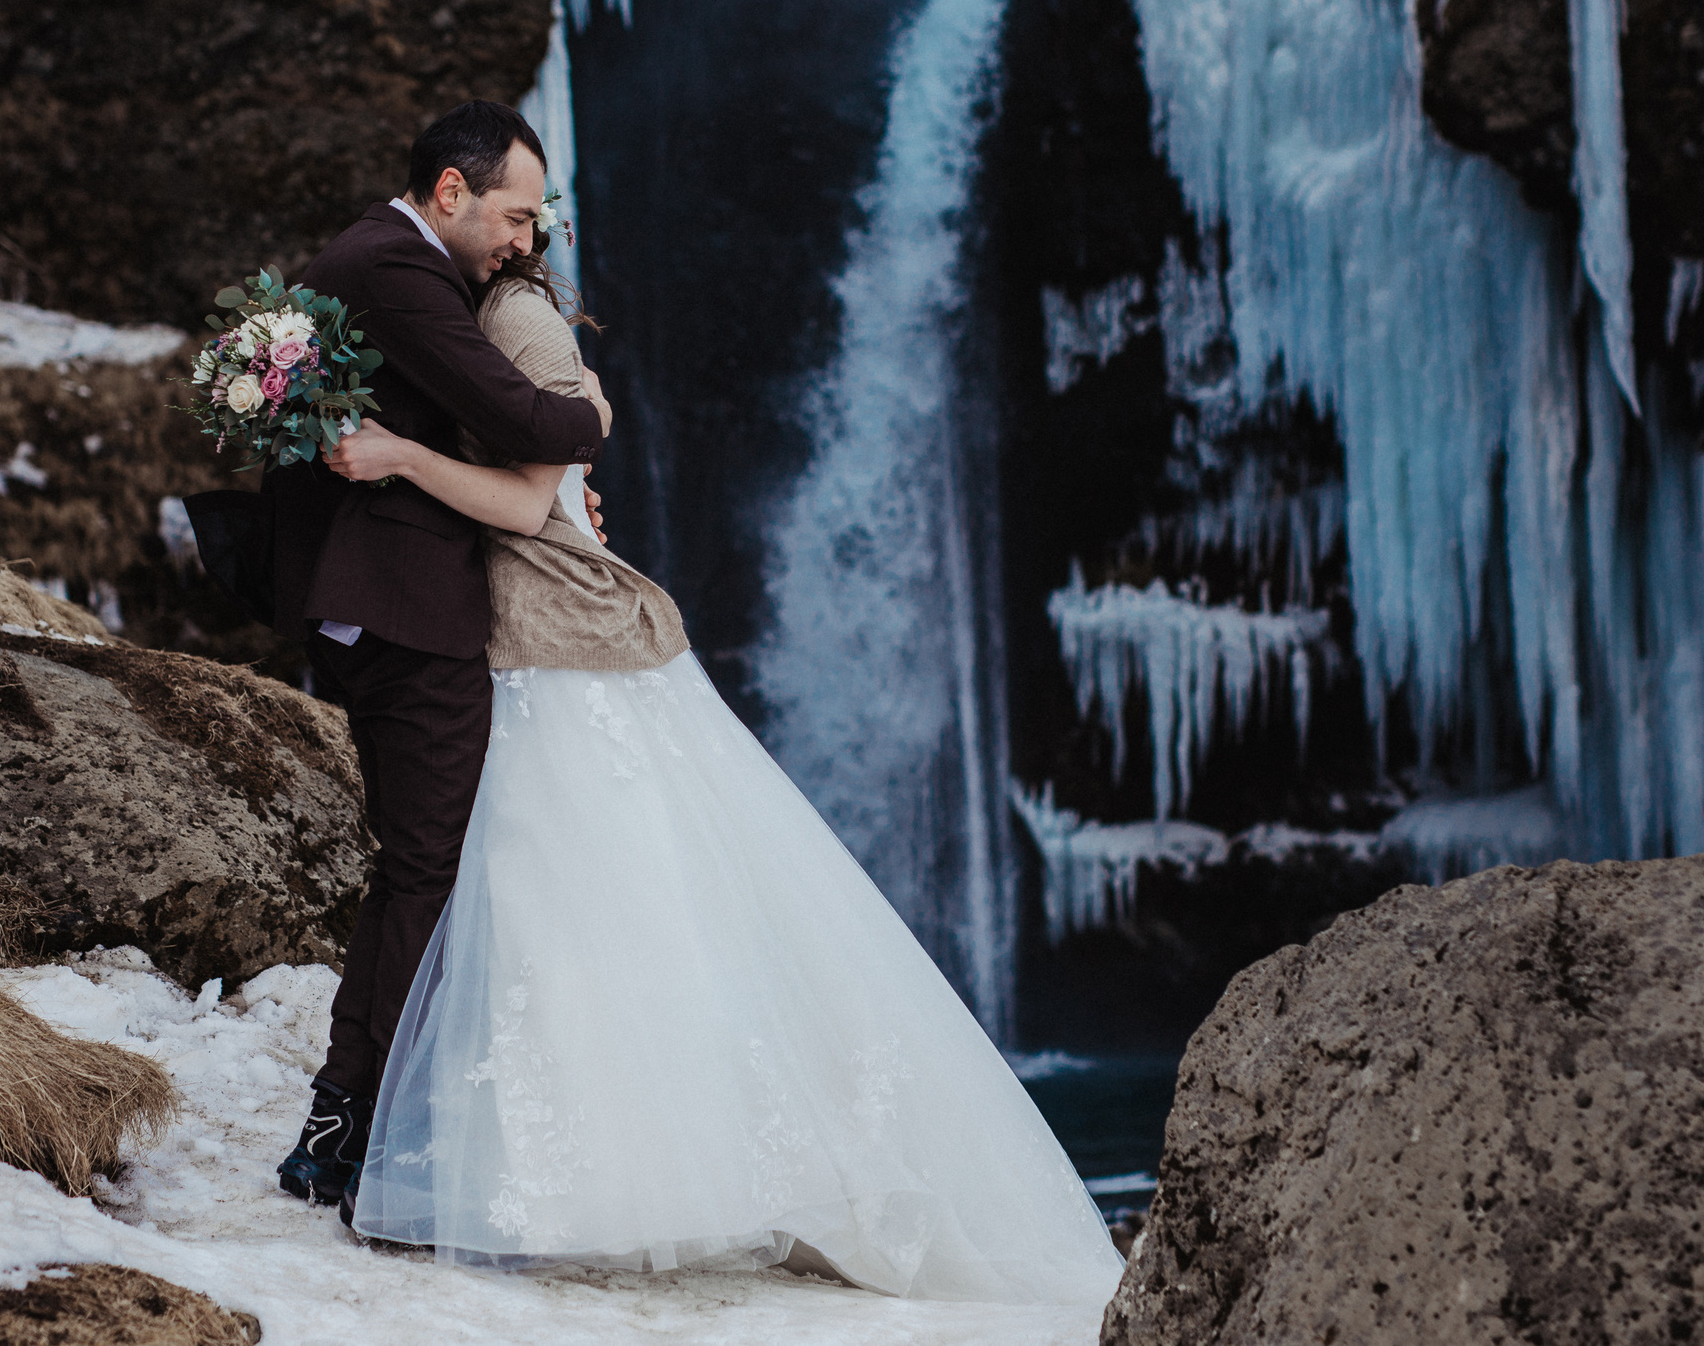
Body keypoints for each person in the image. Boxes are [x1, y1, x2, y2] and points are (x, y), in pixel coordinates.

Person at [308, 176, 1127, 1306]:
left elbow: (532, 498)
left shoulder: (518, 317)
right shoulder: (464, 310)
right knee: (544, 899)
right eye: (514, 217)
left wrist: (414, 458)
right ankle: (516, 1148)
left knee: (577, 893)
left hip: (559, 649)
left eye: (530, 224)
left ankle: (621, 1166)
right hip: (521, 644)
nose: (518, 236)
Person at [248, 101, 610, 1211]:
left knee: (418, 867)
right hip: (404, 609)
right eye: (514, 216)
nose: (525, 240)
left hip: (375, 605)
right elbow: (536, 421)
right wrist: (589, 422)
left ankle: (345, 1126)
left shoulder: (378, 258)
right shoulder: (396, 268)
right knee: (432, 873)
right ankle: (374, 1136)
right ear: (450, 191)